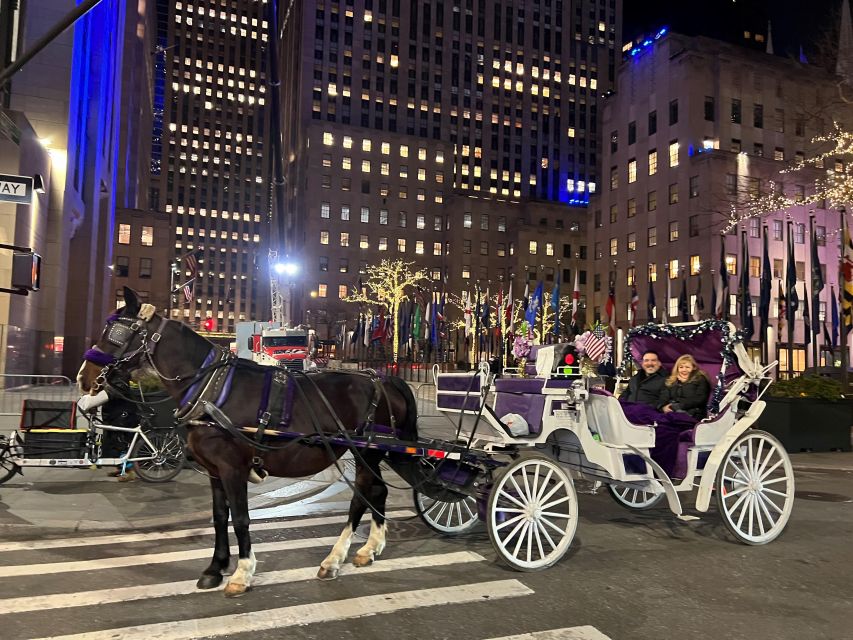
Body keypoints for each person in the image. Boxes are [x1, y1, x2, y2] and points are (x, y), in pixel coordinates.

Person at [658, 354, 712, 420]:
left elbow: (700, 399)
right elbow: (664, 396)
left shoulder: (700, 379)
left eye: (687, 367)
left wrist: (679, 406)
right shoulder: (672, 380)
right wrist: (663, 407)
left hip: (694, 413)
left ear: (694, 367)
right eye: (681, 367)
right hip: (673, 411)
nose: (684, 370)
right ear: (677, 368)